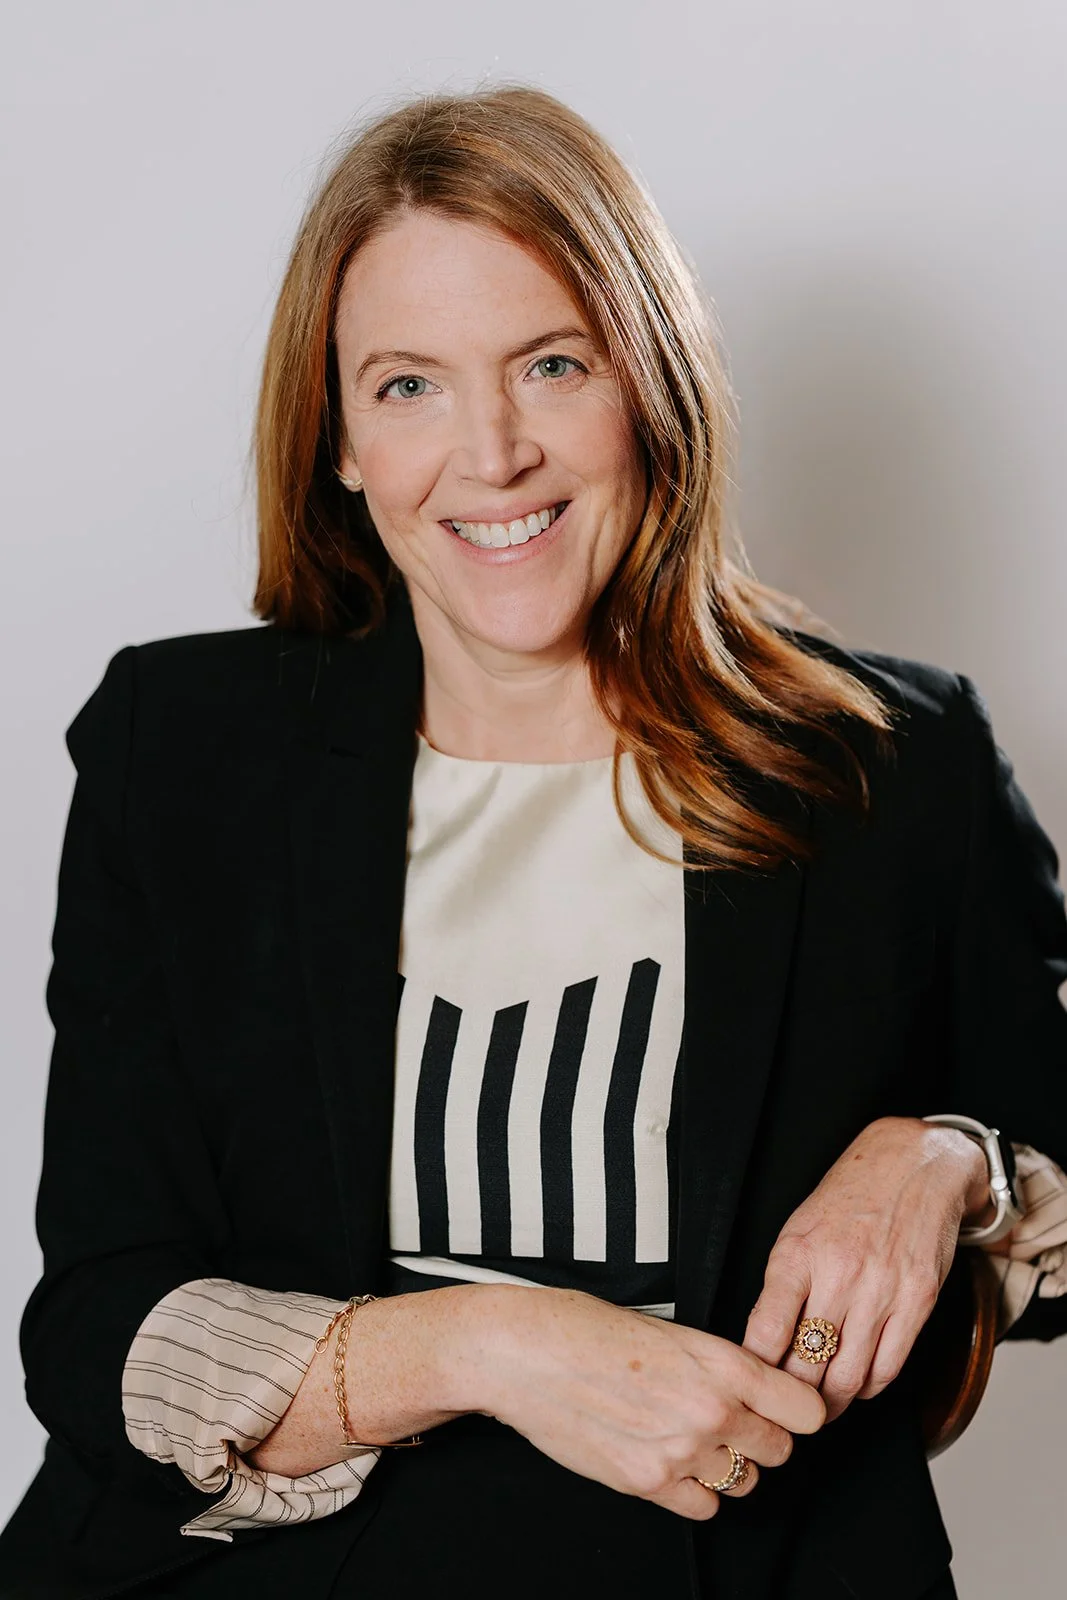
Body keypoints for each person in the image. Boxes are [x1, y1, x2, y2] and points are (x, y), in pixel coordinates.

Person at [2, 82, 1066, 1600]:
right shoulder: (182, 751)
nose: (489, 453)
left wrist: (940, 1161)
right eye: (408, 386)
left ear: (651, 386)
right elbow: (99, 1327)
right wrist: (494, 1345)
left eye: (549, 365)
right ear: (340, 446)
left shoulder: (892, 763)